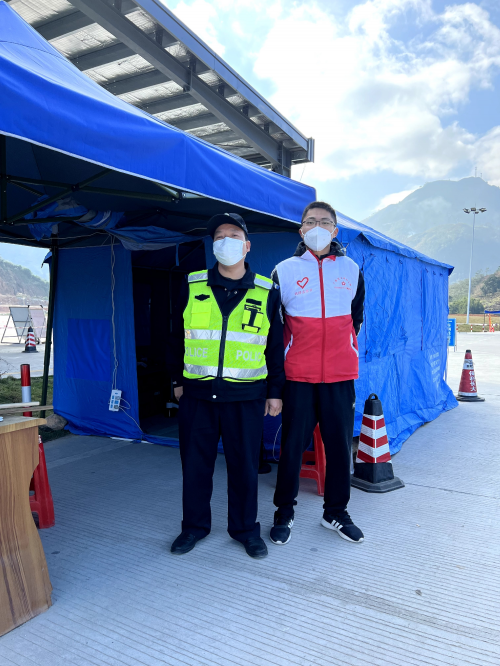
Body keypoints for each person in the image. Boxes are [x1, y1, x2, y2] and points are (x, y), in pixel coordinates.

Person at [169, 213, 284, 559]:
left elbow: (275, 346)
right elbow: (175, 337)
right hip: (197, 395)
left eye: (233, 235)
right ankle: (193, 527)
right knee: (195, 466)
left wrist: (275, 391)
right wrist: (176, 381)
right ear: (213, 245)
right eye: (219, 236)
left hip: (246, 397)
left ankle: (246, 530)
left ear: (246, 246)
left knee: (245, 468)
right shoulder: (192, 285)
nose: (225, 241)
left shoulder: (266, 290)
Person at [269, 201, 365, 546]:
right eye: (310, 222)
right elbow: (274, 328)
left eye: (325, 222)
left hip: (340, 376)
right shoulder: (283, 271)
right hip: (298, 377)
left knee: (339, 448)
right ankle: (284, 512)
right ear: (301, 230)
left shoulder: (352, 269)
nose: (317, 227)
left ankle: (335, 512)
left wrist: (342, 349)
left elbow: (355, 318)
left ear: (335, 230)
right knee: (292, 448)